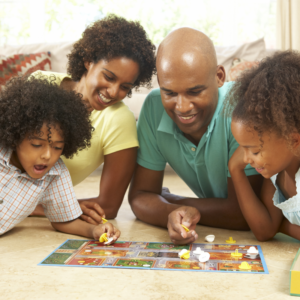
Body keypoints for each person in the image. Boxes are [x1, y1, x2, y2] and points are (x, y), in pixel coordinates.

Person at [129, 28, 263, 245]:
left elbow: (245, 214)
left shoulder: (241, 111)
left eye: (194, 91)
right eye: (169, 92)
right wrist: (171, 213)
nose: (182, 107)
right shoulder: (153, 107)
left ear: (219, 77)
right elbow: (139, 197)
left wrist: (172, 200)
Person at [31, 15, 156, 223]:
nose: (114, 92)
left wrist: (52, 207)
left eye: (125, 87)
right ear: (88, 61)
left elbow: (108, 206)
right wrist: (66, 207)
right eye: (109, 77)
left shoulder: (119, 120)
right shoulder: (39, 84)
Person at [0, 76, 120, 241]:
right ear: (15, 136)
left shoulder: (56, 174)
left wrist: (94, 231)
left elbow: (63, 220)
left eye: (57, 147)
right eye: (36, 144)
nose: (48, 156)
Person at [228, 51, 300, 241]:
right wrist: (235, 169)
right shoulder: (278, 172)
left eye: (255, 150)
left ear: (293, 140)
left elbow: (273, 228)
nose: (246, 158)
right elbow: (265, 230)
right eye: (242, 147)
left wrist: (283, 226)